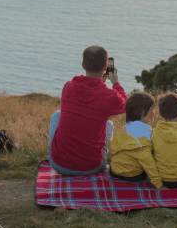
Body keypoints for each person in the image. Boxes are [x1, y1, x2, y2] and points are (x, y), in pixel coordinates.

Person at [48, 46, 127, 175]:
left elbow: (88, 97)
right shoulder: (110, 96)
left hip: (58, 164)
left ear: (83, 66)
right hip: (92, 167)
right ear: (106, 67)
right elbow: (126, 104)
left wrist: (100, 82)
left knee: (57, 115)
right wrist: (115, 83)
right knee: (109, 125)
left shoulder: (69, 87)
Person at [109, 92, 164, 189]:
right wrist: (158, 184)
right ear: (143, 113)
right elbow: (147, 160)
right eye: (152, 109)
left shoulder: (125, 128)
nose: (155, 112)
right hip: (132, 175)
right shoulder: (145, 132)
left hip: (114, 171)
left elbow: (113, 147)